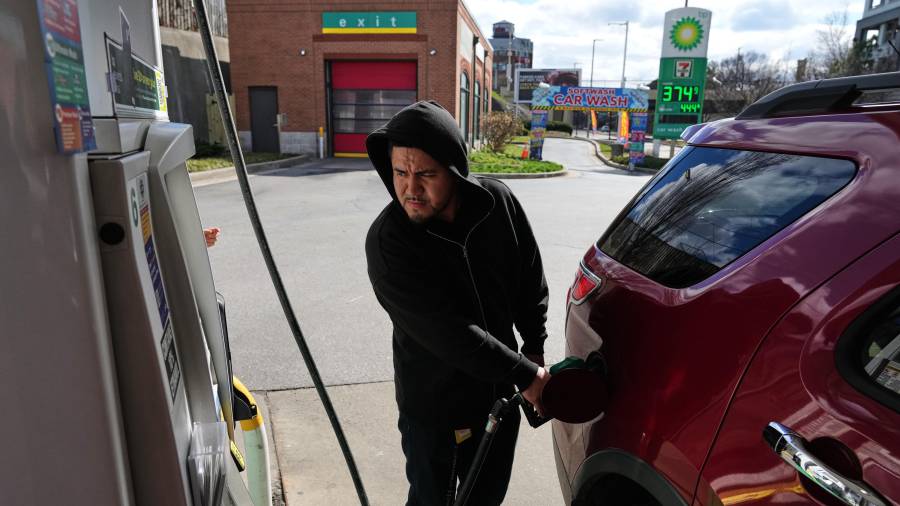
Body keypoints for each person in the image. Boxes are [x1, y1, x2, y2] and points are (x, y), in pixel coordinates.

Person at [365, 101, 551, 506]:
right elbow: (449, 334)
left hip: (498, 402)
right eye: (400, 172)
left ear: (453, 169)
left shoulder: (496, 203)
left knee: (485, 500)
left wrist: (534, 345)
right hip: (434, 412)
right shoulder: (389, 242)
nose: (410, 189)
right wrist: (527, 373)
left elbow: (528, 280)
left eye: (425, 174)